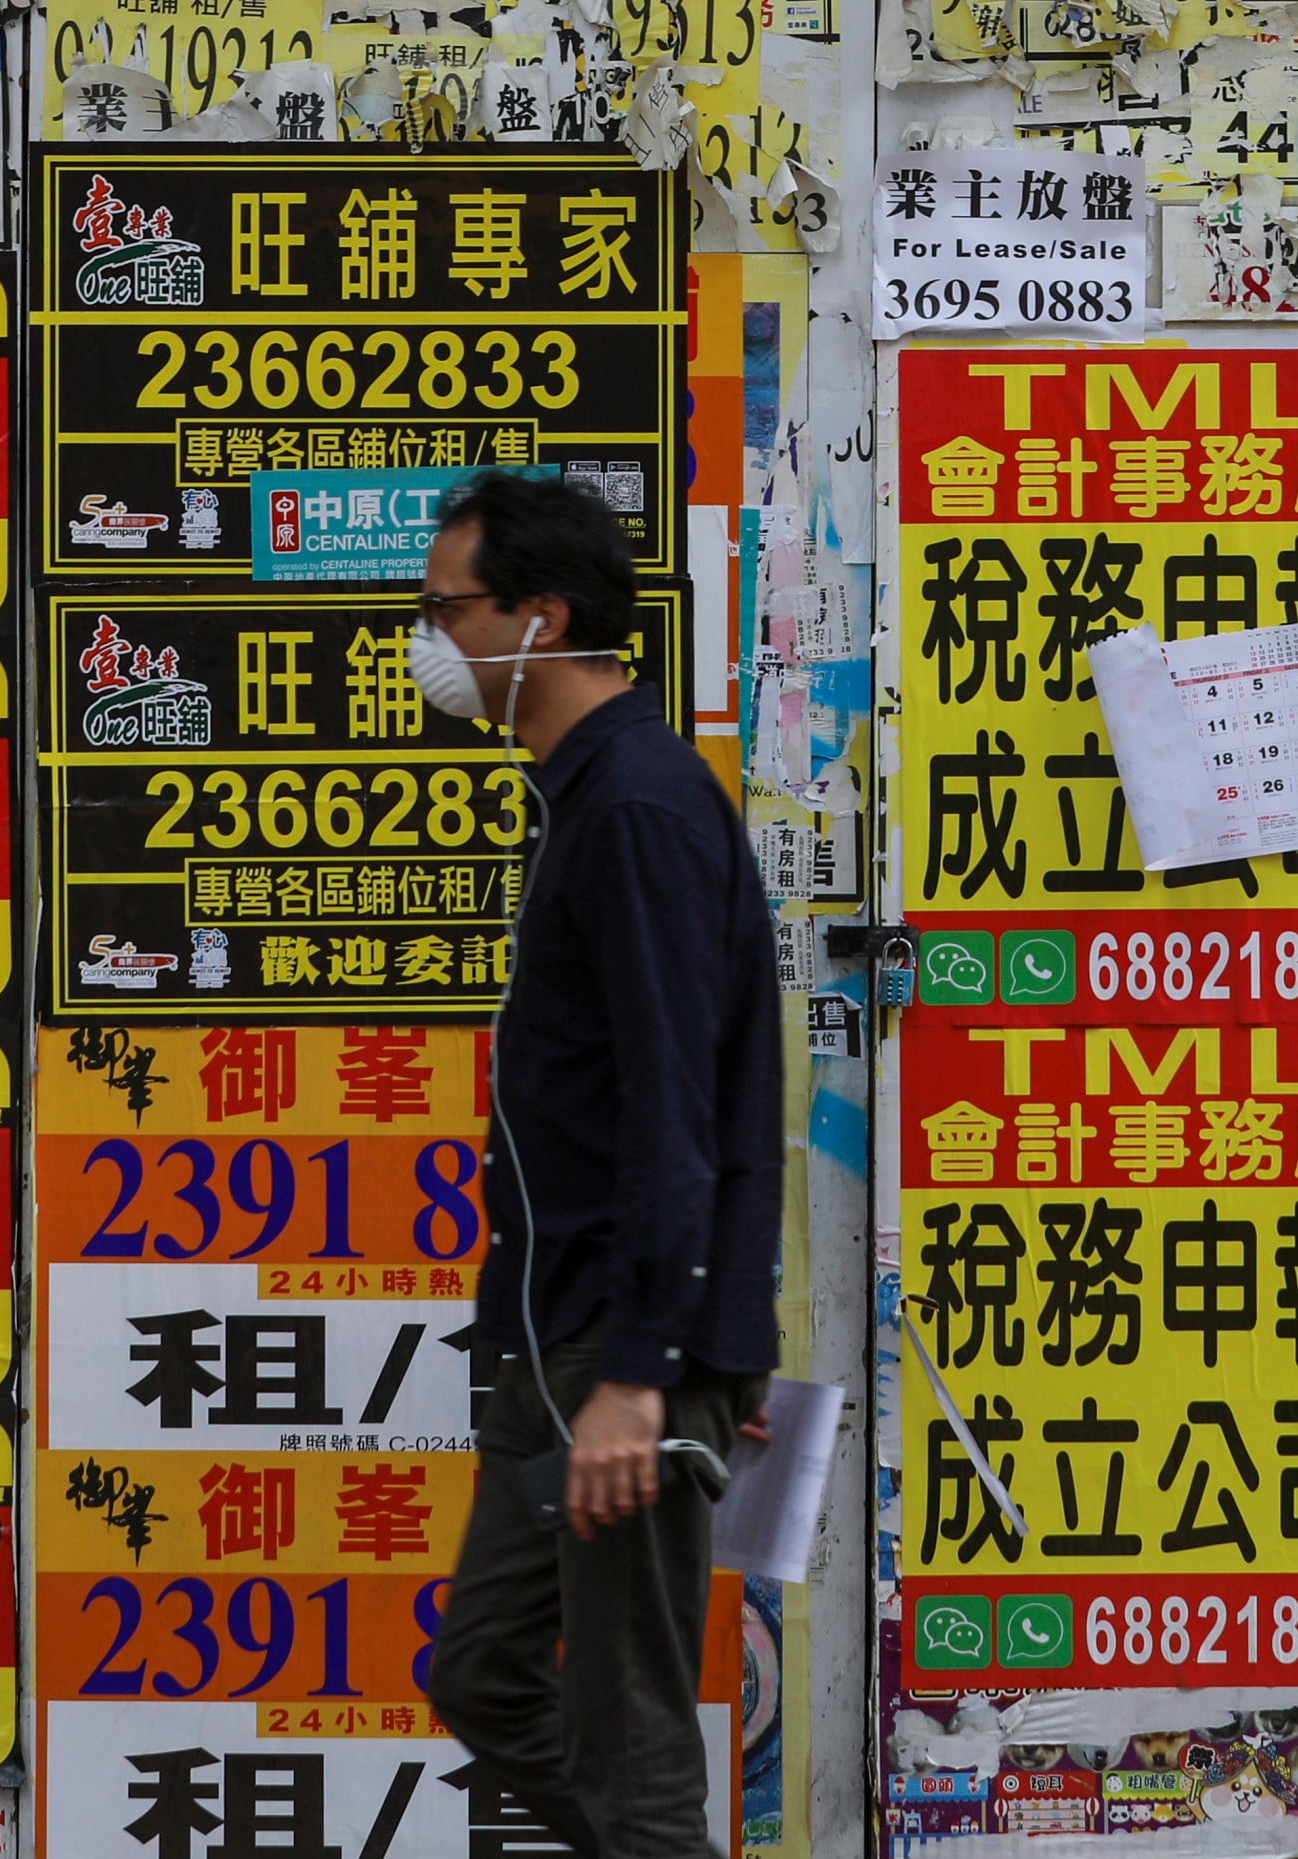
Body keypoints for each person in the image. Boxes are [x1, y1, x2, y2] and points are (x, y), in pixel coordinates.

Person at [413, 472, 780, 1859]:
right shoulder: (594, 792)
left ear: (536, 616)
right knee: (482, 1669)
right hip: (558, 1340)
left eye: (446, 607)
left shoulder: (633, 804)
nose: (428, 639)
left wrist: (652, 1366)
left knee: (633, 1749)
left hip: (613, 1359)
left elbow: (677, 1102)